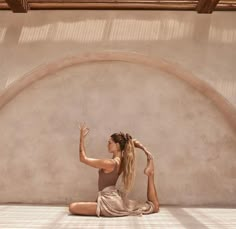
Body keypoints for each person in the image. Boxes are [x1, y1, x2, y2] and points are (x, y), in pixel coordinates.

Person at [68, 122, 160, 217]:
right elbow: (132, 142)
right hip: (114, 198)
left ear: (117, 145)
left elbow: (83, 158)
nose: (107, 145)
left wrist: (81, 138)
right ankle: (151, 174)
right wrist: (145, 151)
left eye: (109, 142)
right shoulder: (123, 162)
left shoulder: (110, 163)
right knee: (153, 206)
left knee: (72, 207)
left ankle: (151, 173)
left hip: (110, 201)